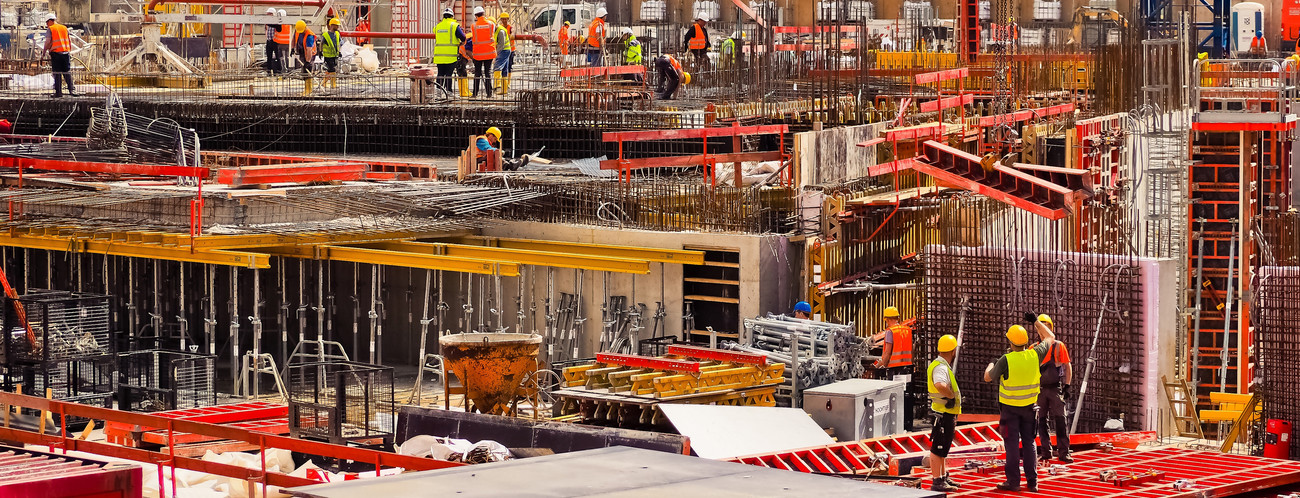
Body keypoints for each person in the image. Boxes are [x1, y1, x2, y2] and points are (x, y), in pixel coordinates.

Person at [984, 322, 1057, 492]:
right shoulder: (1035, 355)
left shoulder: (1005, 360)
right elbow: (1050, 337)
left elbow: (988, 377)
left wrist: (991, 365)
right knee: (1029, 442)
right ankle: (1033, 482)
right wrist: (1036, 322)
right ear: (1026, 341)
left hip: (1009, 410)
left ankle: (1013, 482)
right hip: (1030, 408)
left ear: (1009, 342)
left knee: (1011, 445)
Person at [1035, 314, 1074, 463]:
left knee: (1060, 420)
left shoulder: (1058, 346)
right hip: (1040, 390)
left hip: (1055, 389)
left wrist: (1067, 386)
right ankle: (1046, 452)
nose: (1044, 329)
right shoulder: (1034, 348)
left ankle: (1064, 452)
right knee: (1041, 421)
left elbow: (1067, 365)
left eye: (1047, 326)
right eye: (1041, 326)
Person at [927, 334, 961, 493]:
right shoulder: (941, 367)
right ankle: (937, 480)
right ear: (953, 350)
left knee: (943, 447)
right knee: (938, 448)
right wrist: (951, 396)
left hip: (944, 413)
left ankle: (942, 477)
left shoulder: (941, 364)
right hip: (942, 414)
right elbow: (939, 385)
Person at [433, 8, 466, 95]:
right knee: (448, 74)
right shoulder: (454, 25)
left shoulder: (438, 26)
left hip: (439, 55)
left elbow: (436, 34)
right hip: (450, 55)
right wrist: (460, 42)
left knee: (440, 73)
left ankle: (438, 92)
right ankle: (449, 92)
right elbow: (463, 37)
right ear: (452, 16)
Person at [873, 306, 913, 378]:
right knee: (906, 388)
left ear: (887, 320)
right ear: (897, 318)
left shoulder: (890, 331)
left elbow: (887, 352)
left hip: (895, 370)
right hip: (908, 367)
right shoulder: (907, 330)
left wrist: (882, 365)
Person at [43, 13, 75, 98]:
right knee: (67, 72)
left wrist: (43, 52)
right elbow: (69, 40)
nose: (47, 25)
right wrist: (69, 51)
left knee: (57, 73)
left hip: (56, 53)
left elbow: (47, 42)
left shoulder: (51, 29)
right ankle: (72, 90)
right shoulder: (64, 28)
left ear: (50, 21)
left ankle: (58, 93)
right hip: (65, 52)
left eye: (47, 23)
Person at [470, 7, 497, 98]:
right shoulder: (491, 24)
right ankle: (489, 93)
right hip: (489, 52)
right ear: (484, 13)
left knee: (477, 74)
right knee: (487, 73)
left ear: (476, 15)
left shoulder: (473, 26)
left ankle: (474, 94)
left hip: (478, 54)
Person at [494, 12, 514, 95]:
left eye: (505, 19)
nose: (504, 20)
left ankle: (497, 86)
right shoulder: (500, 28)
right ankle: (504, 89)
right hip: (506, 49)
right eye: (502, 19)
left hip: (508, 49)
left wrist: (496, 53)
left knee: (499, 67)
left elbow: (502, 43)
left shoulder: (509, 28)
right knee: (505, 68)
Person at [320, 18, 342, 89]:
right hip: (328, 56)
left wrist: (340, 52)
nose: (338, 27)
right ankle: (333, 85)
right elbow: (321, 44)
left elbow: (339, 43)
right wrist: (320, 52)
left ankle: (323, 83)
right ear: (332, 25)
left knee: (329, 70)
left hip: (335, 55)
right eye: (337, 25)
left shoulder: (337, 34)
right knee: (332, 70)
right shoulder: (326, 35)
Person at [264, 8, 282, 74]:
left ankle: (279, 71)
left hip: (275, 41)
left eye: (269, 14)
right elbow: (266, 30)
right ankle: (269, 71)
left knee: (278, 57)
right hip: (269, 41)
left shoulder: (276, 22)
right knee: (269, 57)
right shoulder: (267, 22)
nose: (267, 15)